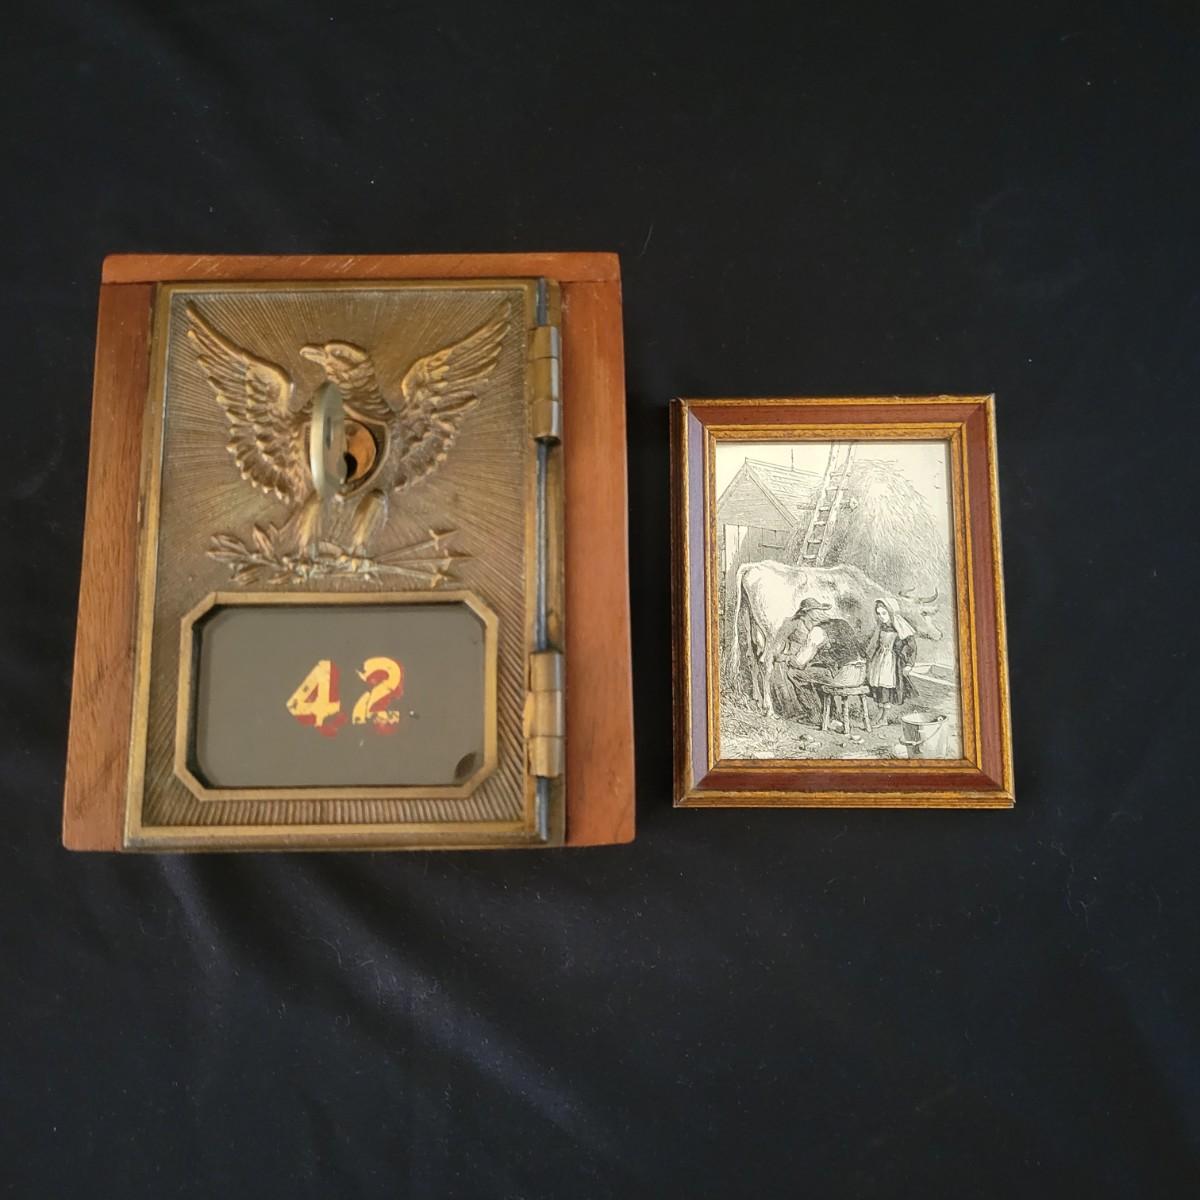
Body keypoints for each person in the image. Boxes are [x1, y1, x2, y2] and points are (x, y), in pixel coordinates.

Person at [763, 597, 866, 727]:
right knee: (817, 675)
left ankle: (814, 716)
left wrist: (786, 658)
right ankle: (831, 715)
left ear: (809, 614)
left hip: (843, 676)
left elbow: (800, 662)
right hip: (860, 674)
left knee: (795, 673)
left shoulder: (818, 630)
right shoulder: (842, 623)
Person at [864, 598, 918, 725]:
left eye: (884, 613)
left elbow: (912, 647)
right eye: (878, 613)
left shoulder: (901, 628)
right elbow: (874, 644)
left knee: (886, 688)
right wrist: (867, 657)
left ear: (891, 613)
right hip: (879, 660)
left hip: (892, 663)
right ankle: (879, 714)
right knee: (878, 686)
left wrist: (909, 664)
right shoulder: (881, 627)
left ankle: (884, 717)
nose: (881, 617)